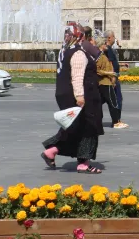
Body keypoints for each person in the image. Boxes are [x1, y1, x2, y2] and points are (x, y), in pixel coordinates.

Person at [41, 25, 105, 173]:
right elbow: (77, 77)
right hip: (80, 95)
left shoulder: (64, 51)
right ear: (79, 37)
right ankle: (83, 163)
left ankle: (52, 151)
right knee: (88, 127)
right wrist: (80, 97)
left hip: (64, 93)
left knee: (74, 127)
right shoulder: (77, 53)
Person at [95, 36, 122, 128]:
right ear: (101, 45)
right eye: (105, 43)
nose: (107, 45)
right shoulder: (100, 56)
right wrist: (109, 73)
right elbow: (97, 70)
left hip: (107, 82)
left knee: (98, 102)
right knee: (113, 102)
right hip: (105, 82)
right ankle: (116, 122)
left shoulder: (103, 55)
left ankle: (94, 119)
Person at [105, 31, 128, 129]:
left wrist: (121, 64)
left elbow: (113, 62)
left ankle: (117, 120)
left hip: (113, 77)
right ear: (109, 38)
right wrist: (113, 79)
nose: (115, 38)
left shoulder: (109, 48)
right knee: (116, 100)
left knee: (116, 99)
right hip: (112, 78)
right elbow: (110, 64)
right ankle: (116, 121)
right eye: (114, 36)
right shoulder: (108, 49)